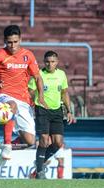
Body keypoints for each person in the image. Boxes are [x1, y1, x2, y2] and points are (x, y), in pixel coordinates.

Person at [0, 25, 47, 166]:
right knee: (12, 105)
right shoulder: (0, 54)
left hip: (24, 99)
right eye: (9, 42)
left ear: (20, 40)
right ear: (5, 40)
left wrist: (40, 96)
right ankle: (6, 145)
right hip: (4, 95)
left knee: (29, 141)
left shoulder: (28, 55)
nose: (12, 45)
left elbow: (37, 77)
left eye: (15, 42)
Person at [28, 50, 74, 179]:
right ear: (44, 62)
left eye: (52, 62)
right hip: (42, 109)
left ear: (57, 62)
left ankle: (39, 164)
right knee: (43, 140)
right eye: (47, 62)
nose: (50, 64)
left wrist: (69, 111)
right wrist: (30, 103)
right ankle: (40, 172)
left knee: (58, 143)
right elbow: (30, 91)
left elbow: (64, 93)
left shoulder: (61, 75)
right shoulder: (38, 75)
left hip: (57, 110)